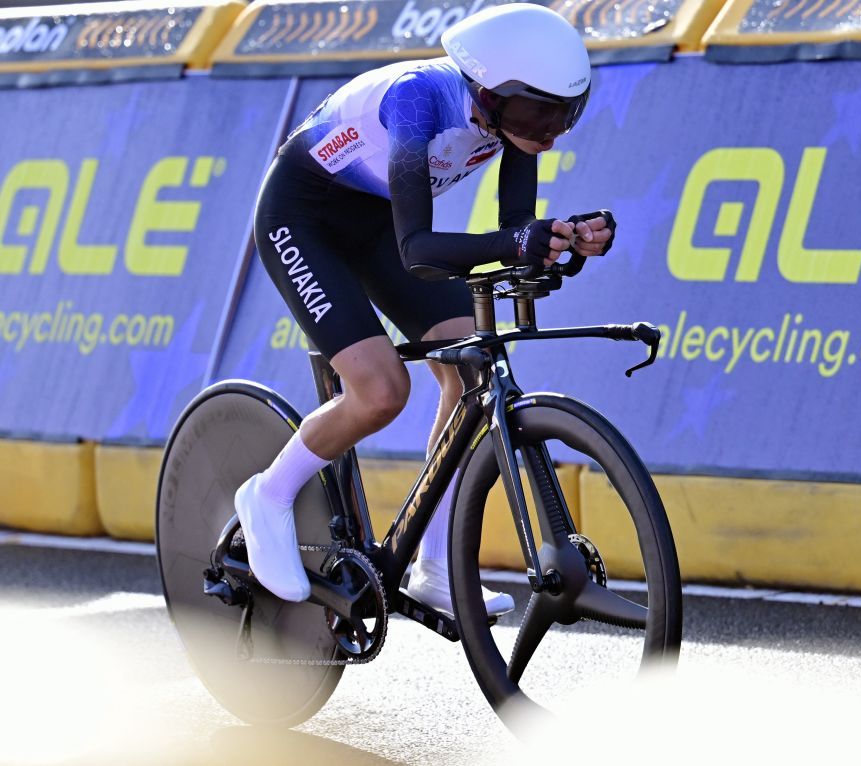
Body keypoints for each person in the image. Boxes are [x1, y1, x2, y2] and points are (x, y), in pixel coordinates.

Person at [235, 3, 616, 616]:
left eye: (561, 116)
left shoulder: (512, 119)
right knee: (381, 392)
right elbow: (419, 251)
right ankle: (267, 496)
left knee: (472, 373)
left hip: (378, 218)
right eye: (533, 113)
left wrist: (563, 235)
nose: (544, 134)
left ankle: (434, 564)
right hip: (304, 216)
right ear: (486, 91)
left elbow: (514, 227)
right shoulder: (418, 100)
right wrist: (519, 242)